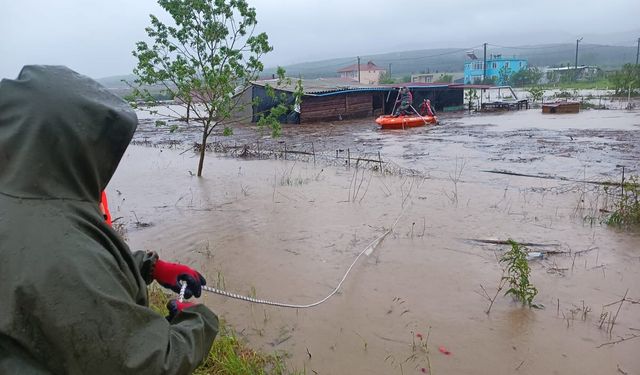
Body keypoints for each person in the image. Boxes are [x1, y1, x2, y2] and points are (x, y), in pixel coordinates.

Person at [0, 65, 218, 374]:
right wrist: (198, 322)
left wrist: (148, 266)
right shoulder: (65, 257)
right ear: (70, 146)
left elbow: (73, 257)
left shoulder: (21, 201)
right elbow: (148, 362)